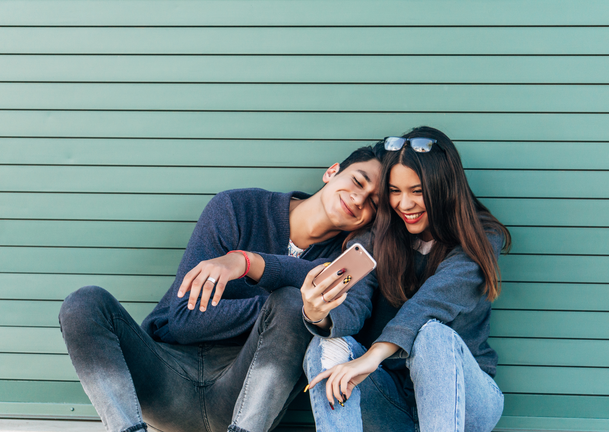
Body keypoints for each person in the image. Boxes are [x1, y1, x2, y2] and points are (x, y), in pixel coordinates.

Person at [58, 143, 386, 432]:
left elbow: (346, 318)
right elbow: (187, 319)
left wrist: (255, 270)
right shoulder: (237, 209)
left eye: (374, 202)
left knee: (291, 304)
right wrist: (274, 314)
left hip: (244, 399)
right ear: (332, 172)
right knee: (84, 303)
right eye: (357, 181)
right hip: (165, 379)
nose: (359, 198)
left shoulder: (349, 260)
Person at [300, 126, 512, 432]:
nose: (405, 204)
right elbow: (354, 303)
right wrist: (319, 314)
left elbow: (432, 302)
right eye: (395, 191)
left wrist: (372, 356)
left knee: (431, 334)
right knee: (326, 345)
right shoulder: (377, 236)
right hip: (392, 402)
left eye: (417, 191)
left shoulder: (480, 237)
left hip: (467, 403)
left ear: (443, 187)